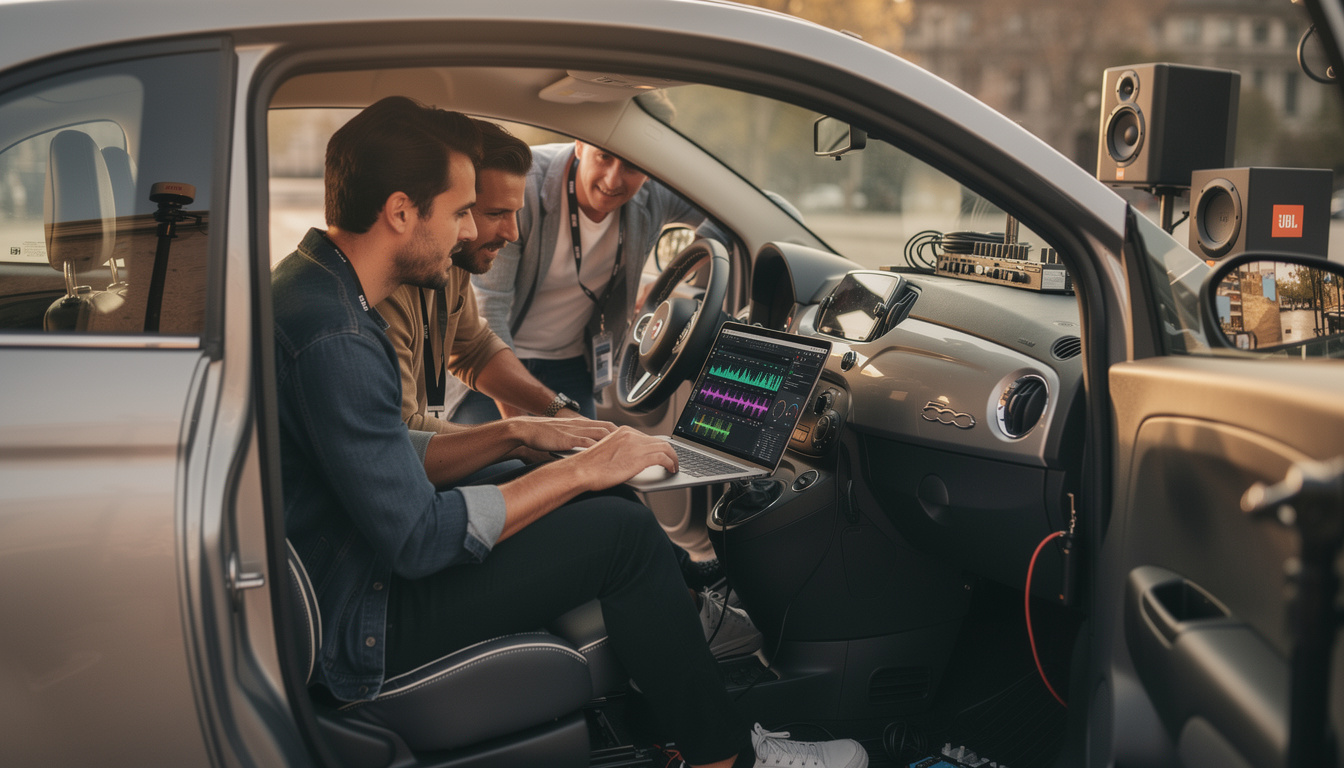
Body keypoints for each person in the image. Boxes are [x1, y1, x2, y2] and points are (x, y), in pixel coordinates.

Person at [270, 96, 866, 768]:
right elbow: (418, 538)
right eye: (462, 211)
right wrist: (580, 468)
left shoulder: (319, 295)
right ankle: (725, 758)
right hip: (366, 616)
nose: (469, 231)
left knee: (593, 499)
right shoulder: (339, 337)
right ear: (402, 212)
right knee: (624, 535)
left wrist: (531, 438)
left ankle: (676, 689)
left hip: (353, 572)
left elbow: (383, 451)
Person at [376, 118, 760, 657]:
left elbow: (474, 347)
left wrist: (557, 418)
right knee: (599, 502)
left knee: (604, 476)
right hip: (404, 559)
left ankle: (683, 584)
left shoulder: (446, 269)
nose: (511, 231)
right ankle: (681, 610)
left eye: (632, 166)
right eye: (479, 213)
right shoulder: (382, 298)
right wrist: (521, 435)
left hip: (563, 364)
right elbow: (405, 453)